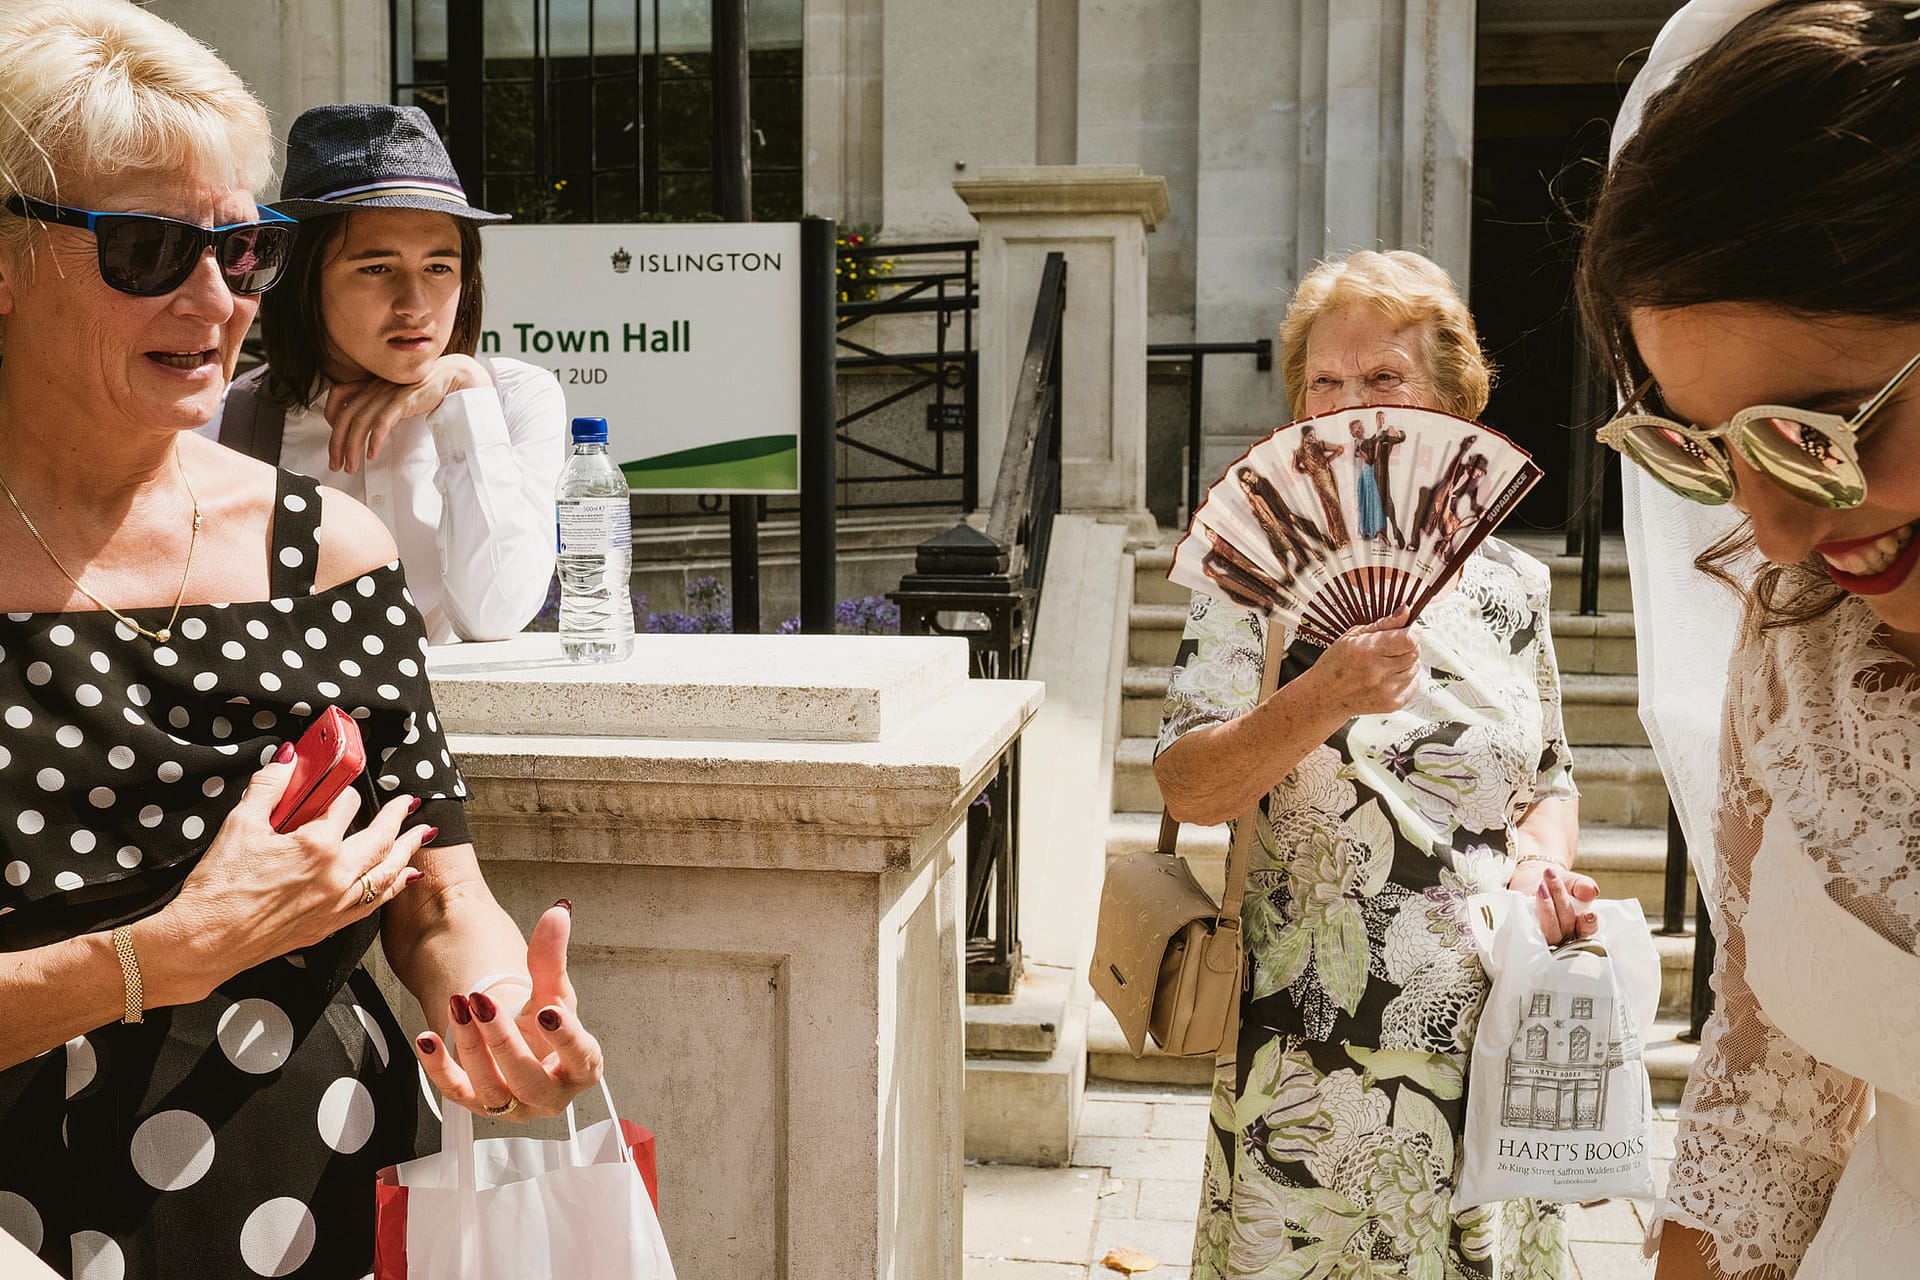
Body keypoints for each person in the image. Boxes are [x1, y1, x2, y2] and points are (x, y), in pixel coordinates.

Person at [0, 4, 603, 1275]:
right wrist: (148, 961)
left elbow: (436, 888)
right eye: (151, 248)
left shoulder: (323, 550)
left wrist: (502, 1017)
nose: (215, 298)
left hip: (318, 1202)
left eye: (245, 247)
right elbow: (184, 946)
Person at [1157, 248, 1594, 1279]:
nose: (1351, 406)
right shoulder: (1251, 578)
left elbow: (1552, 778)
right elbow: (1190, 784)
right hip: (1319, 1065)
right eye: (1327, 382)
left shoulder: (1513, 587)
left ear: (1451, 402)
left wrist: (1540, 859)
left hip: (1499, 1051)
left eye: (1384, 378)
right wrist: (1326, 693)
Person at [1578, 2, 1920, 1276]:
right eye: (1705, 449)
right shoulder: (1803, 646)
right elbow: (1764, 1112)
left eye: (1822, 430)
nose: (1772, 536)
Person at [203, 103, 565, 644]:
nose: (415, 305)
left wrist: (464, 397)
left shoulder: (512, 401)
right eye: (376, 269)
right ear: (305, 279)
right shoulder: (225, 422)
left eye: (439, 267)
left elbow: (496, 615)